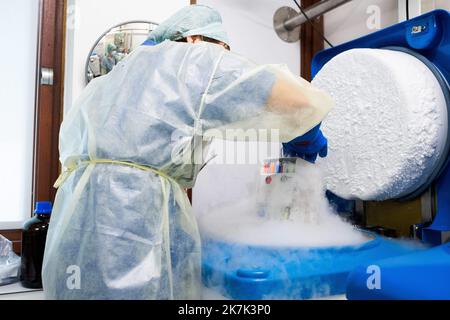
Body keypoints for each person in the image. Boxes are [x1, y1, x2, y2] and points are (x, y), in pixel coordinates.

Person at [42, 4, 334, 300]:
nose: (223, 56)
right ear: (195, 39)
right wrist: (305, 135)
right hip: (131, 224)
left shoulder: (105, 83)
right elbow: (299, 101)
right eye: (222, 48)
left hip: (69, 232)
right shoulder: (192, 58)